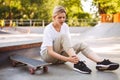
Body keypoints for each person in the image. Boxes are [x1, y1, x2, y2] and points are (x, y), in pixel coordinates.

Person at [40, 6, 119, 74]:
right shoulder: (48, 29)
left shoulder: (65, 26)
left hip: (59, 57)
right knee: (63, 36)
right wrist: (68, 59)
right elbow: (50, 52)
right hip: (48, 56)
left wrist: (71, 57)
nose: (62, 20)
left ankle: (100, 62)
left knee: (81, 44)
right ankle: (77, 64)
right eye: (59, 17)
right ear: (53, 18)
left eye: (64, 17)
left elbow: (68, 46)